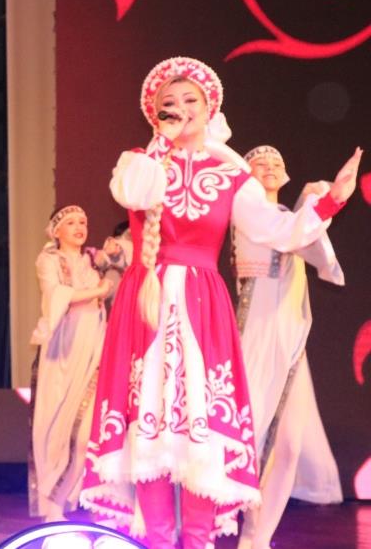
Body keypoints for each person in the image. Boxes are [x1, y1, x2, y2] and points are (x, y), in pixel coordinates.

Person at [78, 56, 362, 549]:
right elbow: (131, 192)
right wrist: (162, 145)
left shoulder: (232, 176)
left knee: (201, 429)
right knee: (147, 423)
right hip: (145, 304)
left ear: (210, 109)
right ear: (154, 113)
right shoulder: (140, 162)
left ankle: (200, 540)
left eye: (191, 100)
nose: (181, 109)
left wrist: (332, 200)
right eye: (169, 103)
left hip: (201, 306)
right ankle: (158, 539)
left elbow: (278, 230)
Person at [234, 145, 344, 549]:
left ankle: (260, 537)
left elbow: (311, 244)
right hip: (255, 339)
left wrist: (313, 203)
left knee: (291, 446)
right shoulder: (247, 215)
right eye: (259, 162)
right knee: (248, 441)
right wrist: (320, 203)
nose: (270, 166)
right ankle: (246, 529)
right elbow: (292, 233)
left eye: (277, 162)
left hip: (291, 346)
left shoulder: (287, 219)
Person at [29, 206, 111, 521]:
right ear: (56, 230)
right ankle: (53, 505)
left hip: (93, 347)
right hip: (63, 350)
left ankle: (68, 497)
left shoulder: (94, 259)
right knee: (55, 427)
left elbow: (127, 258)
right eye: (71, 222)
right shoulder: (48, 260)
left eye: (83, 222)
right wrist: (98, 290)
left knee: (85, 431)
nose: (79, 227)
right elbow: (55, 295)